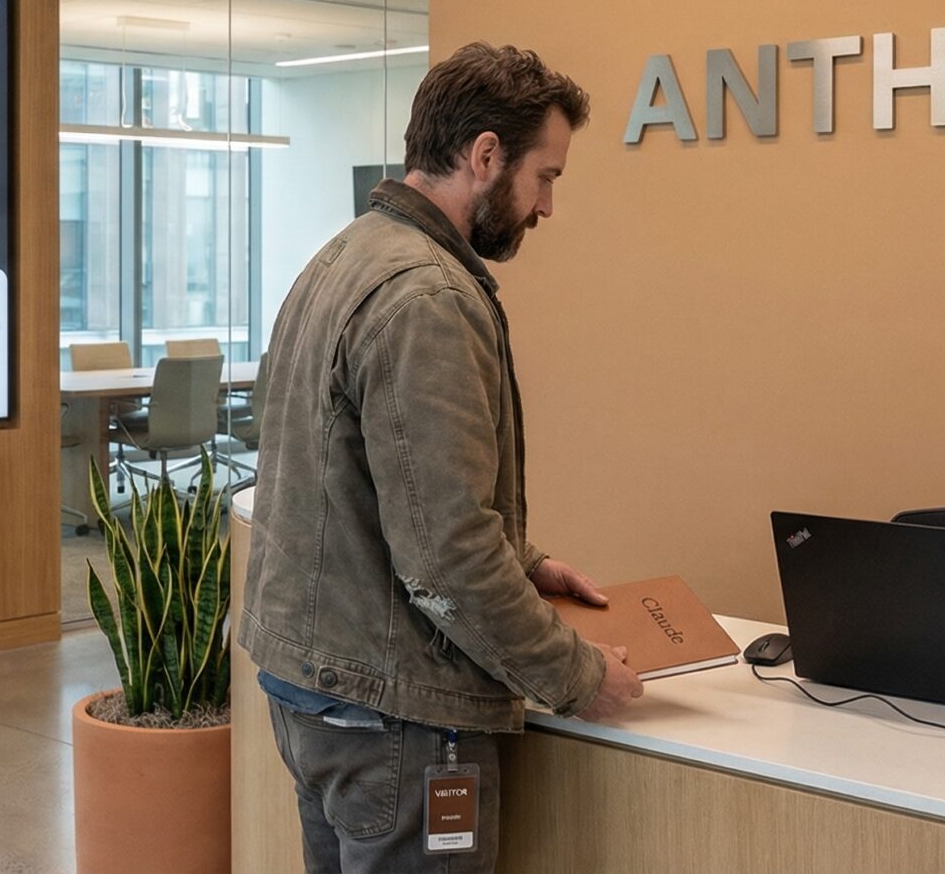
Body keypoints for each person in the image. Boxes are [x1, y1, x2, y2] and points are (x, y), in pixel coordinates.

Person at [239, 43, 644, 873]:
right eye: (547, 177)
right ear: (485, 155)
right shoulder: (427, 298)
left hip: (316, 694)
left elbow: (361, 481)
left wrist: (524, 563)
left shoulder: (341, 257)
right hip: (395, 719)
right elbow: (447, 555)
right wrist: (574, 672)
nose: (547, 208)